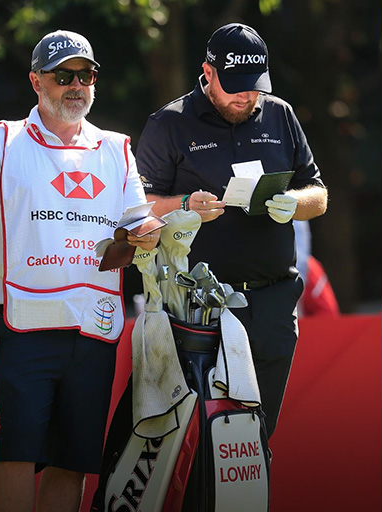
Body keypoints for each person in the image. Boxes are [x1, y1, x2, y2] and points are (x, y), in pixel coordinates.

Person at [0, 30, 158, 512]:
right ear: (36, 81)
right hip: (25, 324)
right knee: (19, 450)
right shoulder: (1, 140)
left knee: (74, 458)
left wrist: (169, 221)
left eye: (85, 74)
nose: (75, 85)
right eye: (62, 75)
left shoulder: (117, 148)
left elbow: (138, 223)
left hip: (95, 324)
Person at [135, 23, 328, 438]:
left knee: (259, 437)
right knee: (204, 438)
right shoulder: (169, 123)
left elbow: (320, 193)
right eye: (235, 85)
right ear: (207, 72)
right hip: (200, 305)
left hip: (274, 301)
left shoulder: (280, 113)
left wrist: (295, 203)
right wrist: (183, 205)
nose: (246, 96)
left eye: (254, 86)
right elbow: (136, 208)